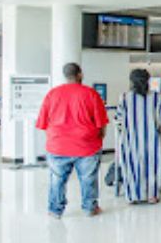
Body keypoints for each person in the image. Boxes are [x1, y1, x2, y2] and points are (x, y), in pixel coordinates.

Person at [36, 63, 109, 219]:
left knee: (57, 180)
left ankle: (55, 210)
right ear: (80, 74)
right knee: (88, 179)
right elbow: (101, 123)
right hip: (87, 146)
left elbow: (43, 123)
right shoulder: (91, 94)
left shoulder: (52, 94)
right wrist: (99, 138)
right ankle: (90, 208)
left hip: (57, 146)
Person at [116, 69, 161, 204]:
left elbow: (119, 120)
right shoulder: (157, 97)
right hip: (152, 140)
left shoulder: (124, 97)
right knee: (152, 166)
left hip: (130, 139)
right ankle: (151, 196)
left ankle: (133, 196)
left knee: (131, 166)